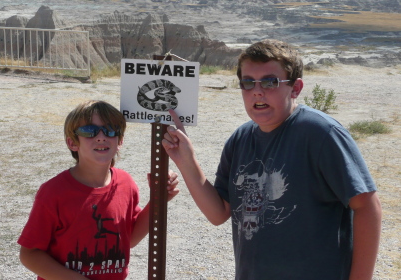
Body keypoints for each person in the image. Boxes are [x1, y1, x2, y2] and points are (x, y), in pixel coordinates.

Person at [162, 39, 382, 280]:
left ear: (295, 88)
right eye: (248, 83)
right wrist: (186, 161)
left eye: (270, 82)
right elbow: (219, 213)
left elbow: (368, 207)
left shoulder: (320, 134)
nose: (257, 91)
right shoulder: (240, 139)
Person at [18, 100, 179, 280]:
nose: (101, 137)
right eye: (89, 131)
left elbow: (130, 238)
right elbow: (29, 254)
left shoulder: (126, 183)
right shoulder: (53, 192)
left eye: (110, 130)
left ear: (120, 140)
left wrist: (159, 199)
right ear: (72, 143)